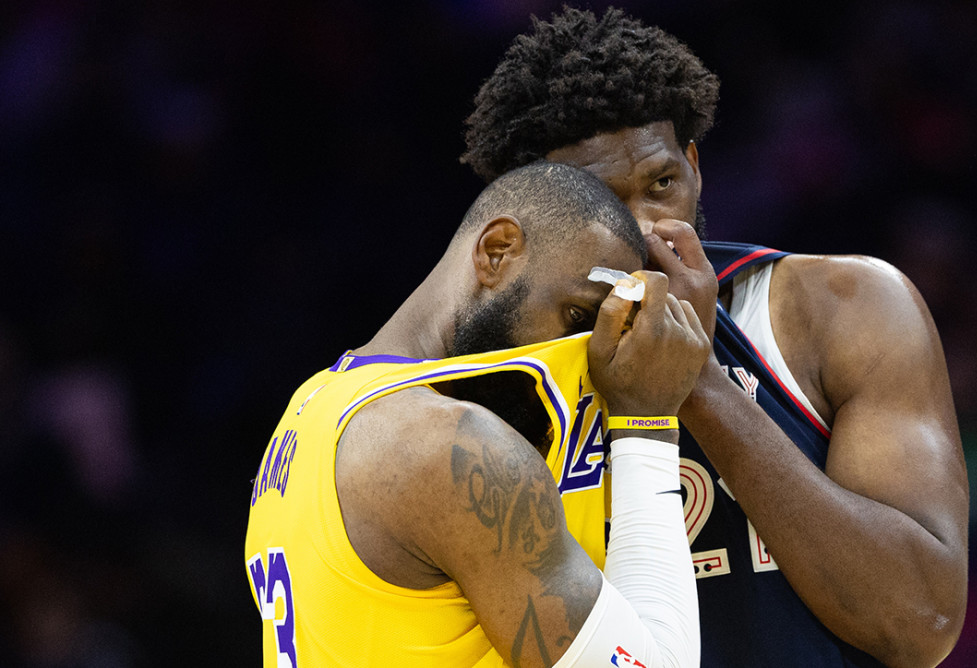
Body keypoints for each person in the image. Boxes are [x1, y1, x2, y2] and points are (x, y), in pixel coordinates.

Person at [460, 8, 969, 668]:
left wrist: (694, 377)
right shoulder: (479, 386)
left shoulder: (840, 309)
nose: (644, 229)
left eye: (662, 184)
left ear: (694, 168)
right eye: (599, 203)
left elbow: (919, 620)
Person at [244, 162, 711, 667]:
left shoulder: (310, 407)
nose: (587, 357)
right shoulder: (447, 445)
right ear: (497, 252)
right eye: (577, 317)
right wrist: (647, 422)